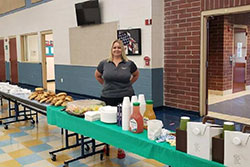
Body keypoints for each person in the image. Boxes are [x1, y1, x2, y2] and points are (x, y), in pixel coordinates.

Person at [95, 39, 139, 159]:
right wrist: (105, 85)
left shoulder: (129, 63)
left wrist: (128, 84)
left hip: (125, 97)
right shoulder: (104, 63)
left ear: (123, 50)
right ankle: (106, 144)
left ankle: (121, 147)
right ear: (111, 49)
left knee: (122, 123)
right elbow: (97, 75)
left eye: (119, 47)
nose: (116, 50)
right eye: (114, 47)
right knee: (107, 123)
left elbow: (136, 75)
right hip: (107, 97)